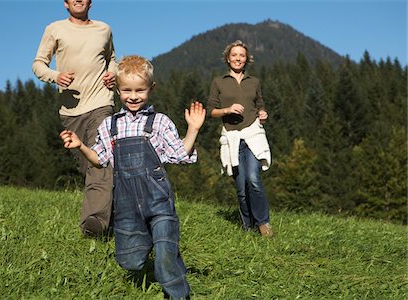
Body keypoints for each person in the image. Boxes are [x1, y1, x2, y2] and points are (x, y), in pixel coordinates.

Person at [60, 55, 205, 299]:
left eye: (140, 90)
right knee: (130, 262)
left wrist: (193, 129)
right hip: (126, 205)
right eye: (127, 90)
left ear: (151, 89)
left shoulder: (159, 122)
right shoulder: (109, 125)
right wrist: (80, 146)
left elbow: (180, 155)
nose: (133, 96)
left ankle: (178, 294)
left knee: (166, 252)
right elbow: (99, 159)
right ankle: (147, 244)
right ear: (117, 90)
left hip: (158, 202)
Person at [32, 0, 116, 237]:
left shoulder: (103, 29)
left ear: (91, 2)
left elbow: (112, 59)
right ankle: (118, 214)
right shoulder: (55, 29)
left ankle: (95, 224)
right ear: (66, 3)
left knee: (101, 161)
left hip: (101, 102)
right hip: (71, 110)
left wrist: (113, 74)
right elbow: (38, 64)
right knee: (88, 167)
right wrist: (55, 76)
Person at [206, 40, 273, 237]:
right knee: (241, 186)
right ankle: (248, 226)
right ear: (228, 58)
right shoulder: (219, 81)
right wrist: (227, 109)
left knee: (253, 179)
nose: (238, 58)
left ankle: (264, 224)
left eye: (241, 55)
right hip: (231, 136)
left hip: (253, 133)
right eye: (234, 55)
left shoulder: (254, 81)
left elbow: (260, 104)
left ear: (247, 59)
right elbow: (211, 110)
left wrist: (263, 113)